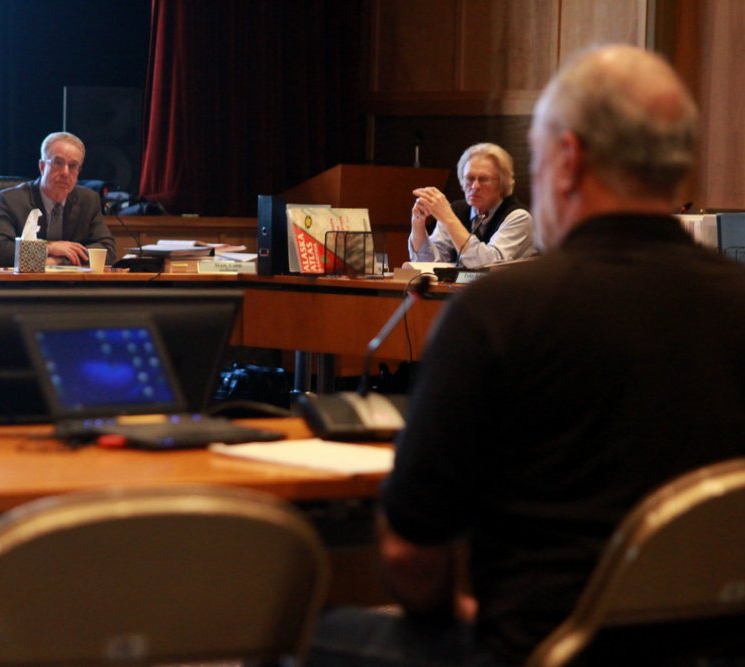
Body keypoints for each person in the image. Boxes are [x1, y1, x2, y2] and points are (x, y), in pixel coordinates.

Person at [310, 45, 745, 666]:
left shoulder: (499, 313)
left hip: (539, 649)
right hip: (714, 648)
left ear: (566, 161)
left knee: (301, 631)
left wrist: (447, 616)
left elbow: (410, 555)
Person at [0, 131, 116, 267]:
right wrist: (50, 248)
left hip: (73, 287)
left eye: (72, 166)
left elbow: (107, 251)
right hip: (24, 286)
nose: (65, 172)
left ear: (79, 171)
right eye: (58, 163)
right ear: (42, 167)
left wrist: (57, 261)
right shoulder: (10, 200)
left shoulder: (89, 200)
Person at [408, 143, 535, 268]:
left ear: (502, 183)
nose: (475, 186)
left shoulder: (519, 217)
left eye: (484, 179)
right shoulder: (456, 210)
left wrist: (448, 219)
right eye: (470, 178)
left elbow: (487, 265)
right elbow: (427, 264)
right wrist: (418, 223)